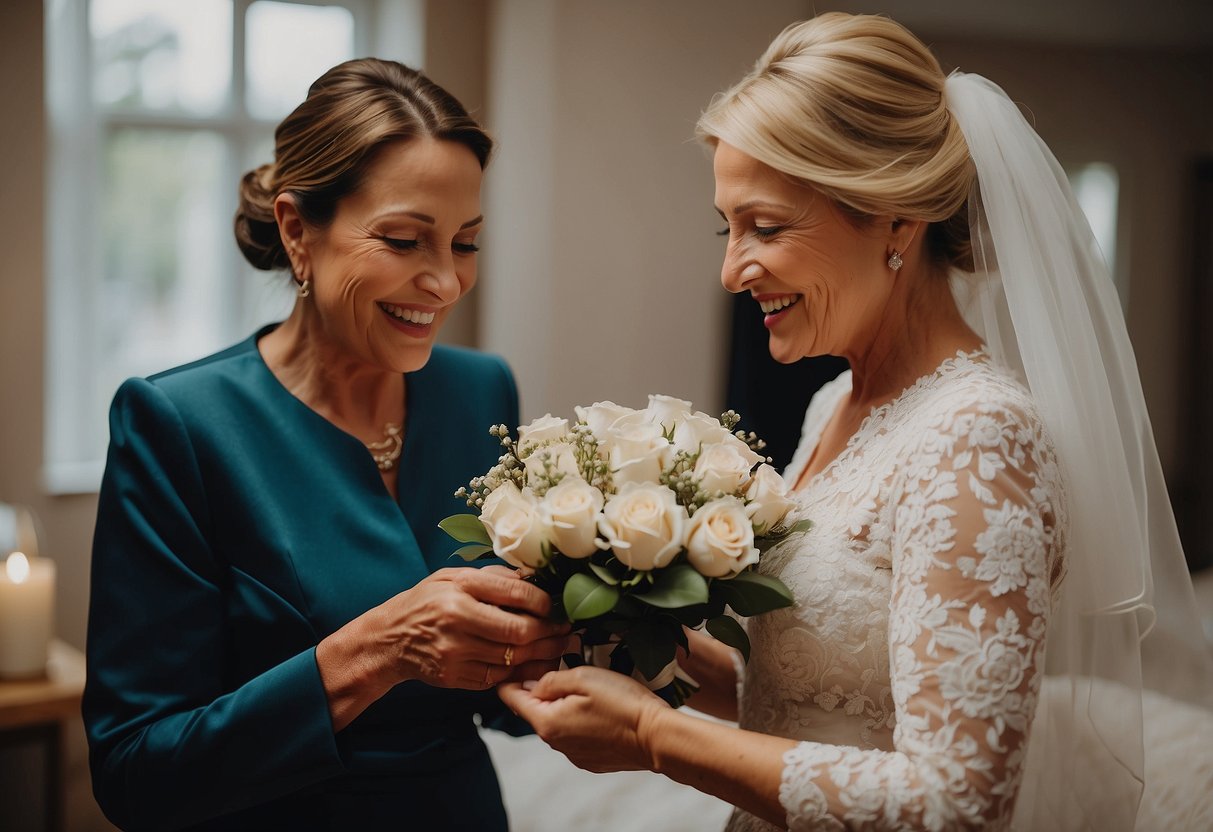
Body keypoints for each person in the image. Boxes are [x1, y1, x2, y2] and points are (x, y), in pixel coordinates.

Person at [500, 13, 1213, 831]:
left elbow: (957, 799)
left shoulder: (979, 439)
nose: (732, 271)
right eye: (726, 227)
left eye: (764, 227)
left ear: (895, 219)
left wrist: (654, 736)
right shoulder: (832, 406)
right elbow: (803, 693)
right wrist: (609, 628)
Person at [83, 58, 571, 831]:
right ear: (296, 229)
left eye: (465, 243)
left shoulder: (482, 392)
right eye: (406, 240)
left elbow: (501, 694)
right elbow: (134, 769)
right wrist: (378, 650)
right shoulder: (177, 423)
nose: (444, 282)